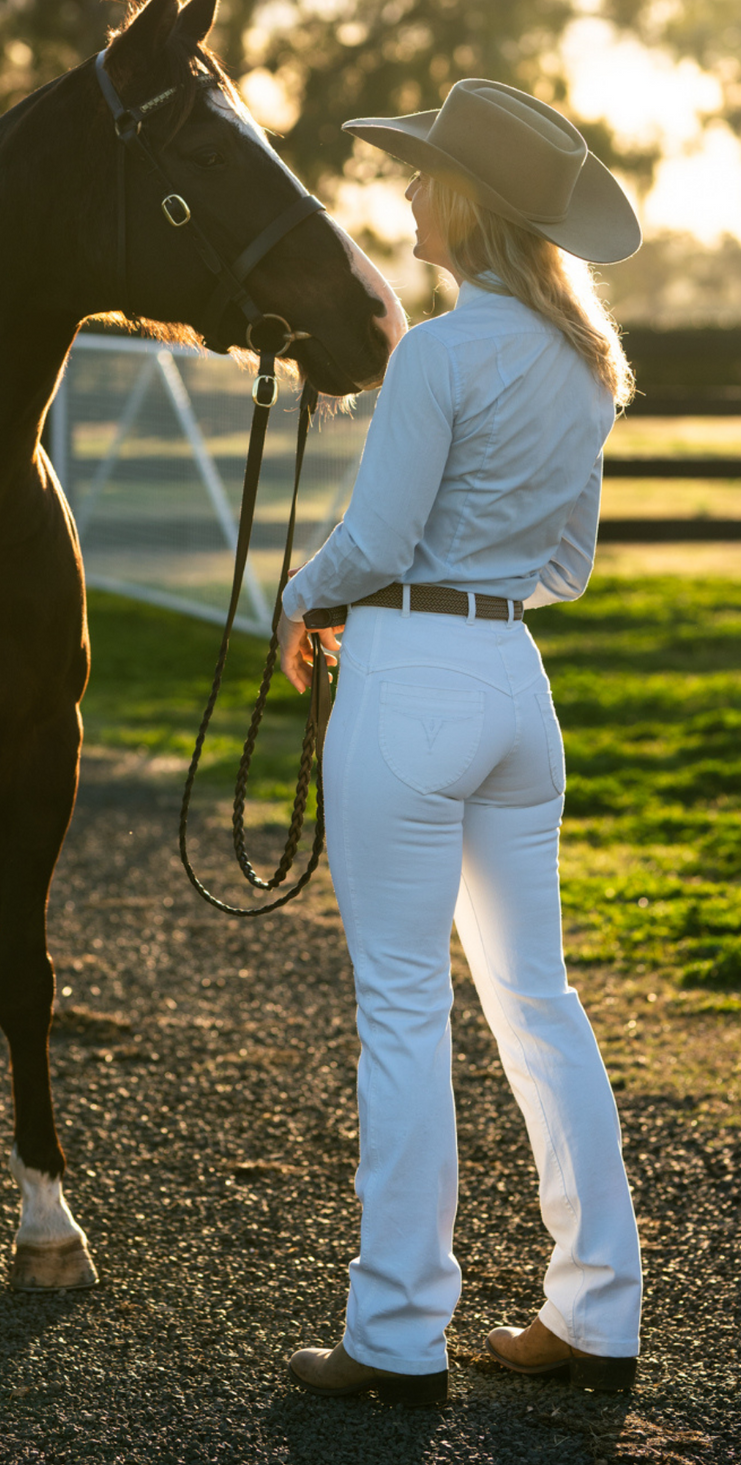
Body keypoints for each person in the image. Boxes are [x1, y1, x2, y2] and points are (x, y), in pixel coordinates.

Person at [276, 79, 644, 1408]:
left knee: (403, 1012)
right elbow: (568, 568)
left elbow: (374, 541)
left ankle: (395, 1336)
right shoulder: (581, 361)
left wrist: (299, 594)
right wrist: (474, 581)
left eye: (424, 176)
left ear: (468, 203)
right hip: (513, 681)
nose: (406, 192)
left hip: (414, 676)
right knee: (536, 1003)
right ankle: (599, 1311)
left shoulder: (437, 354)